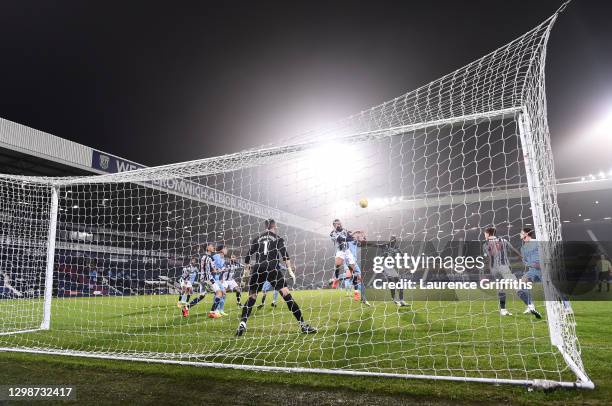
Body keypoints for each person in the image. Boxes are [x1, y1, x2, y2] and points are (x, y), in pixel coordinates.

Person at [236, 219, 316, 336]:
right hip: (272, 267)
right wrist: (289, 270)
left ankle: (242, 323)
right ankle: (303, 325)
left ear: (265, 226)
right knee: (286, 295)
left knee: (252, 297)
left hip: (258, 268)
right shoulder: (278, 238)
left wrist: (246, 272)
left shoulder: (257, 238)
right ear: (275, 226)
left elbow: (248, 256)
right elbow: (285, 255)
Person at [483, 227, 540, 318]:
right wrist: (522, 257)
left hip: (493, 269)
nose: (484, 235)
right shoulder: (503, 241)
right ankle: (530, 306)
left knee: (501, 288)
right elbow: (514, 251)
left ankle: (503, 310)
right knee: (516, 286)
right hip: (504, 267)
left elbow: (486, 257)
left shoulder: (485, 244)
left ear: (488, 234)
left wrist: (486, 269)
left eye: (485, 233)